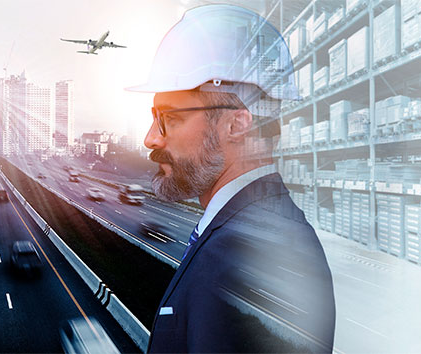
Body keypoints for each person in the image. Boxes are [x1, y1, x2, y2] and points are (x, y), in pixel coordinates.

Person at [126, 4, 335, 353]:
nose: (151, 139)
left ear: (236, 124)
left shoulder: (249, 254)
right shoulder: (246, 228)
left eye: (170, 119)